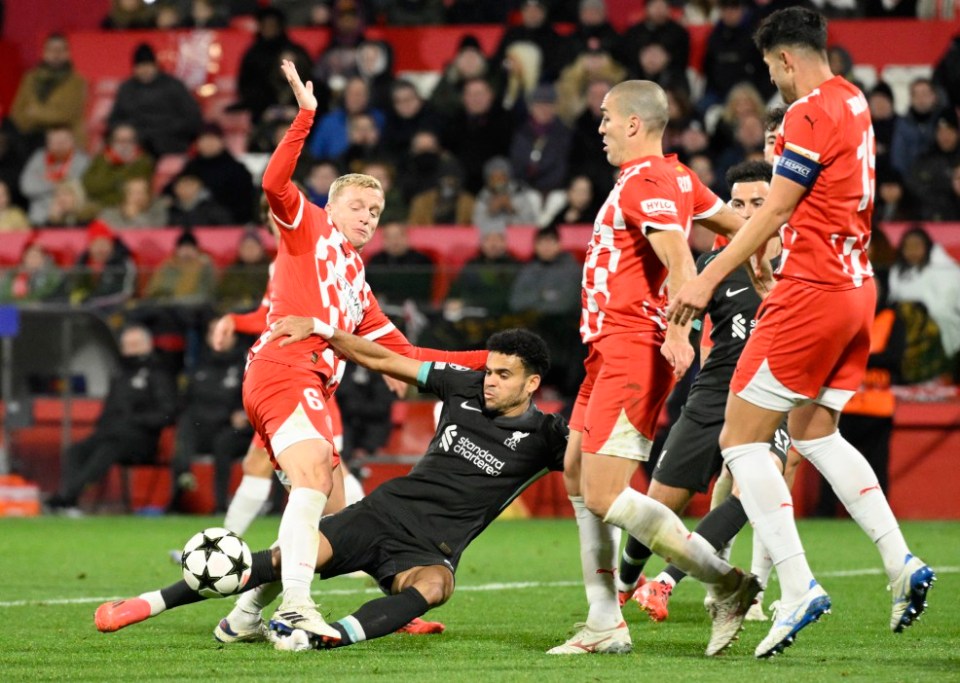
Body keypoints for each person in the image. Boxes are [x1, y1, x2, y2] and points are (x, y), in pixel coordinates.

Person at [666, 8, 935, 659]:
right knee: (814, 430)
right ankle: (900, 562)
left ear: (785, 59)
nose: (773, 80)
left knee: (740, 439)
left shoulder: (811, 111)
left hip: (811, 293)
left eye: (768, 67)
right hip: (857, 288)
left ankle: (796, 583)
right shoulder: (855, 103)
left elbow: (779, 205)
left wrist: (710, 276)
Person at [94, 329, 569, 651]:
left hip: (431, 547)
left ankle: (330, 637)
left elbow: (596, 479)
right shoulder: (462, 384)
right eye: (488, 370)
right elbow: (384, 357)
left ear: (532, 383)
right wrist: (325, 329)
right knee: (287, 558)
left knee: (437, 586)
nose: (489, 381)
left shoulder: (550, 437)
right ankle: (149, 603)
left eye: (503, 376)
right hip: (383, 513)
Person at [236, 59, 488, 643]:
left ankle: (243, 615)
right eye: (359, 208)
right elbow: (274, 184)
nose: (369, 219)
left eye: (376, 213)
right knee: (314, 485)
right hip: (284, 367)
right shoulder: (309, 226)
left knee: (344, 512)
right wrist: (305, 118)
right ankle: (296, 604)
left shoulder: (358, 287)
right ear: (333, 204)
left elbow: (409, 355)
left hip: (312, 382)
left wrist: (492, 358)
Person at [548, 80, 756, 658]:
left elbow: (678, 255)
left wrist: (679, 328)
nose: (601, 127)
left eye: (607, 118)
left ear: (635, 124)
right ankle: (604, 620)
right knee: (573, 470)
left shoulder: (646, 181)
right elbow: (739, 229)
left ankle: (725, 582)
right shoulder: (679, 177)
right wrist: (763, 260)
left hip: (630, 345)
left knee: (606, 492)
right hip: (607, 348)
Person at [616, 161, 790, 624]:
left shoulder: (801, 265)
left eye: (759, 202)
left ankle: (666, 582)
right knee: (659, 502)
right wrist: (680, 341)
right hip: (715, 390)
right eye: (737, 203)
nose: (747, 211)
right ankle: (624, 584)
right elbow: (686, 313)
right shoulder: (716, 264)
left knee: (757, 487)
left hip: (771, 394)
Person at [46, 325, 177, 513]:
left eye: (135, 345)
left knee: (108, 449)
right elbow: (109, 408)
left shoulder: (158, 374)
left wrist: (135, 420)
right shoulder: (120, 374)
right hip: (110, 434)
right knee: (75, 451)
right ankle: (70, 501)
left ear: (148, 346)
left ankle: (66, 499)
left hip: (142, 441)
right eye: (127, 345)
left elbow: (168, 413)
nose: (130, 350)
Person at [107, 43, 202, 157]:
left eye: (148, 65)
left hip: (169, 141)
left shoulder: (174, 86)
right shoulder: (127, 88)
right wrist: (124, 131)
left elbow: (192, 118)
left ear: (156, 65)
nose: (144, 70)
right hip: (136, 142)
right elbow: (114, 119)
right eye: (140, 66)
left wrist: (167, 129)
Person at [9, 33, 87, 150]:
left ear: (68, 53)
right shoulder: (30, 78)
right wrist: (32, 120)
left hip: (64, 138)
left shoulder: (77, 81)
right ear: (43, 52)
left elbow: (66, 115)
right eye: (51, 49)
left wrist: (34, 112)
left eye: (60, 49)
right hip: (30, 136)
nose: (56, 54)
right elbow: (17, 111)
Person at [19, 126, 90, 225]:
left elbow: (80, 189)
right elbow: (26, 187)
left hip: (74, 216)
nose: (60, 146)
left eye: (64, 141)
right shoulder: (38, 157)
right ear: (47, 143)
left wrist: (43, 183)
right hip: (39, 217)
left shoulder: (83, 161)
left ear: (73, 141)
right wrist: (57, 185)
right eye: (55, 142)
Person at [81, 123, 154, 211]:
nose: (124, 145)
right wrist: (117, 179)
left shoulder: (142, 161)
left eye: (129, 140)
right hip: (100, 207)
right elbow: (90, 186)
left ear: (135, 142)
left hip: (130, 209)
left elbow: (131, 191)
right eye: (120, 140)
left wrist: (111, 181)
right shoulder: (102, 159)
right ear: (112, 142)